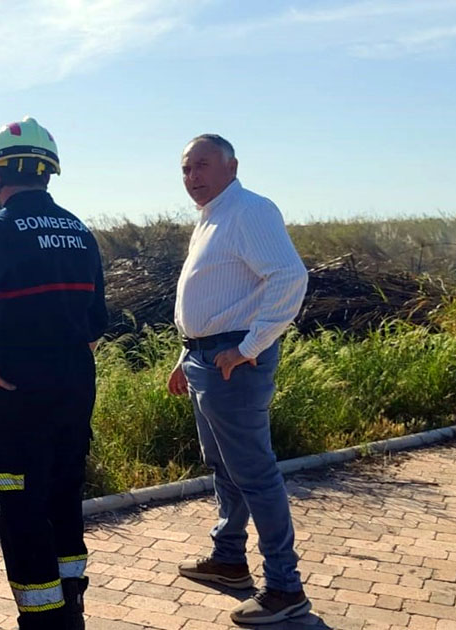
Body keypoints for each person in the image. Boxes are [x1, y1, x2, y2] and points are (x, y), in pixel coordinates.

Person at [0, 117, 107, 630]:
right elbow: (97, 323)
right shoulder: (80, 233)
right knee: (64, 494)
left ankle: (44, 620)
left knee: (20, 504)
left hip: (16, 389)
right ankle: (73, 603)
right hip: (74, 385)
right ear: (48, 173)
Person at [167, 134, 311, 625]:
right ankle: (229, 559)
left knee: (254, 473)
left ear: (232, 166)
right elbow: (215, 294)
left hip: (234, 364)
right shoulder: (211, 219)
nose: (192, 177)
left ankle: (285, 590)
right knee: (224, 467)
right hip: (205, 359)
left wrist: (248, 348)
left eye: (202, 165)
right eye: (186, 169)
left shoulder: (248, 209)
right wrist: (185, 355)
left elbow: (290, 277)